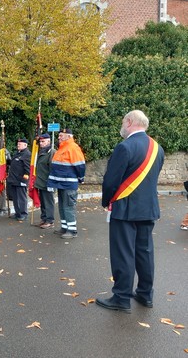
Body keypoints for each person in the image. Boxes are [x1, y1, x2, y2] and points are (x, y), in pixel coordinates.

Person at [96, 110, 164, 313]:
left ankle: (121, 297)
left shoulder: (125, 147)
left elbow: (111, 180)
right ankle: (145, 294)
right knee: (145, 252)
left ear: (129, 122)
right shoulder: (157, 148)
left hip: (125, 209)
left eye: (123, 122)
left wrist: (106, 201)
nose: (122, 126)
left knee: (123, 253)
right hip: (148, 209)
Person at [47, 128, 86, 239]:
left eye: (61, 136)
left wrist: (80, 178)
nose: (59, 138)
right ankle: (64, 227)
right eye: (59, 135)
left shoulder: (73, 148)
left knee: (68, 206)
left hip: (69, 184)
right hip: (61, 183)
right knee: (62, 206)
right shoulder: (62, 148)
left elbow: (80, 166)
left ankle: (72, 230)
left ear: (69, 136)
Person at [6, 138, 31, 221]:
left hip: (20, 180)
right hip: (13, 179)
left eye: (20, 144)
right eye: (18, 143)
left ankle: (23, 213)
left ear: (25, 145)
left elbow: (27, 169)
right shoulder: (18, 153)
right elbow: (13, 163)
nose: (18, 145)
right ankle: (18, 213)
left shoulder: (27, 154)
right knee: (15, 198)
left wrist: (24, 180)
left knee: (21, 198)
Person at [34, 133, 55, 229]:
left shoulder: (51, 152)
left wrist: (52, 183)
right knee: (43, 201)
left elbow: (52, 169)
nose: (41, 143)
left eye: (43, 141)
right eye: (40, 142)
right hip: (41, 182)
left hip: (48, 182)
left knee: (48, 202)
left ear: (49, 141)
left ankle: (50, 221)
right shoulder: (40, 152)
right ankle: (44, 219)